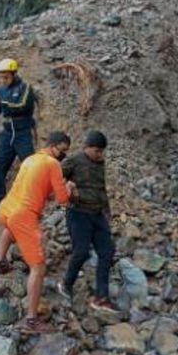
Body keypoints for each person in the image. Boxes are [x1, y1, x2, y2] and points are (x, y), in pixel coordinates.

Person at [0, 132, 73, 334]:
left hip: (7, 208)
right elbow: (62, 199)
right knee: (38, 268)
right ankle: (32, 319)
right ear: (54, 146)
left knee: (9, 229)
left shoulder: (30, 159)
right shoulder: (52, 164)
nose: (63, 155)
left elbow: (37, 188)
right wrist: (70, 187)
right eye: (62, 150)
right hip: (25, 216)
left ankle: (1, 262)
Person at [58, 130, 116, 312]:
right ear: (87, 147)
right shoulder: (74, 161)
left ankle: (101, 297)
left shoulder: (100, 163)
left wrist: (107, 213)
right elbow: (55, 176)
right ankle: (66, 284)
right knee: (81, 251)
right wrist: (67, 185)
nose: (100, 155)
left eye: (102, 151)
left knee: (107, 252)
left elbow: (101, 189)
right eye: (97, 151)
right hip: (78, 213)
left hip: (97, 214)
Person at [0, 59, 37, 215]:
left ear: (14, 74)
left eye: (6, 77)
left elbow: (21, 106)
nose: (3, 80)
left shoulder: (25, 88)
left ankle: (32, 205)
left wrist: (0, 102)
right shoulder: (1, 90)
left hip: (23, 133)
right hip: (7, 134)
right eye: (2, 77)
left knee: (30, 169)